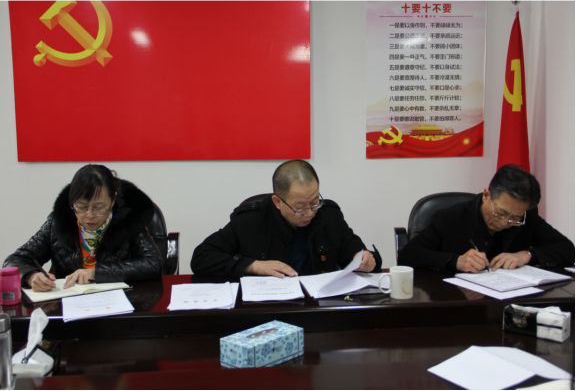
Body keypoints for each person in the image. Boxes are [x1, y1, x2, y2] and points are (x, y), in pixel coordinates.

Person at [192, 160, 382, 277]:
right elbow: (201, 257)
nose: (310, 213)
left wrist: (367, 260)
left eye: (314, 202)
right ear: (277, 202)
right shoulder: (249, 220)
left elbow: (358, 254)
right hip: (267, 308)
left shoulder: (329, 215)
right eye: (300, 207)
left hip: (317, 307)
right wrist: (254, 266)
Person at [4, 165, 163, 291]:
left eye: (99, 207)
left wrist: (95, 272)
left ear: (113, 200)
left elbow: (153, 264)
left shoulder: (128, 220)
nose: (89, 215)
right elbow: (14, 260)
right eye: (81, 207)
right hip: (69, 305)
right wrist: (31, 276)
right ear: (72, 202)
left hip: (119, 304)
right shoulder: (58, 222)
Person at [398, 164, 575, 273]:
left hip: (510, 301)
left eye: (515, 218)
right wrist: (455, 261)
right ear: (486, 195)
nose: (505, 223)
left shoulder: (528, 216)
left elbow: (568, 249)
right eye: (501, 212)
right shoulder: (450, 217)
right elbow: (408, 255)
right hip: (458, 302)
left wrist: (527, 255)